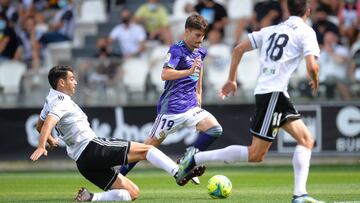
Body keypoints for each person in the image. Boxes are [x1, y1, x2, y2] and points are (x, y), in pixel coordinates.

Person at [176, 1, 325, 203]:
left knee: (306, 140)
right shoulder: (306, 32)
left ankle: (300, 195)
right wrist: (315, 80)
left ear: (287, 10)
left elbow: (238, 49)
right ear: (308, 11)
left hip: (273, 93)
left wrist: (231, 79)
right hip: (274, 94)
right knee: (255, 154)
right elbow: (312, 66)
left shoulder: (271, 29)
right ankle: (194, 158)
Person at [30, 65, 205, 202]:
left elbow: (40, 125)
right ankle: (178, 172)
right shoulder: (62, 102)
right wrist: (41, 145)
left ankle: (90, 197)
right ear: (61, 82)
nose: (75, 82)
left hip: (83, 163)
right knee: (147, 150)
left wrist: (51, 140)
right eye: (72, 79)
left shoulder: (50, 99)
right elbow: (50, 122)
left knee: (131, 193)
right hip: (93, 148)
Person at [119, 14, 223, 185]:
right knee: (146, 149)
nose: (200, 39)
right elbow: (165, 74)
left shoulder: (201, 51)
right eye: (197, 35)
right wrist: (188, 72)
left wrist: (199, 93)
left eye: (203, 36)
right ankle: (119, 176)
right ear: (187, 31)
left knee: (215, 129)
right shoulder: (176, 50)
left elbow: (199, 68)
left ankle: (186, 161)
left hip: (190, 107)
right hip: (171, 110)